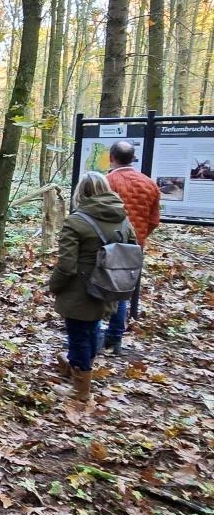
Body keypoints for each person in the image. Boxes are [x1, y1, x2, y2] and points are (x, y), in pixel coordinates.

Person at [49, 171, 135, 402]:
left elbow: (67, 265)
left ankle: (80, 390)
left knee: (78, 335)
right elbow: (133, 251)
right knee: (93, 328)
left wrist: (54, 285)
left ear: (81, 192)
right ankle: (80, 367)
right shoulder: (122, 219)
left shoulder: (76, 221)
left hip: (81, 288)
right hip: (109, 285)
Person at [103, 140, 160, 354]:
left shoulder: (107, 181)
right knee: (122, 290)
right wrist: (139, 237)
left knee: (100, 286)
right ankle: (115, 337)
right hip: (134, 247)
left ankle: (100, 334)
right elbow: (154, 220)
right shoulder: (149, 184)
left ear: (111, 157)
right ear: (133, 159)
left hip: (107, 242)